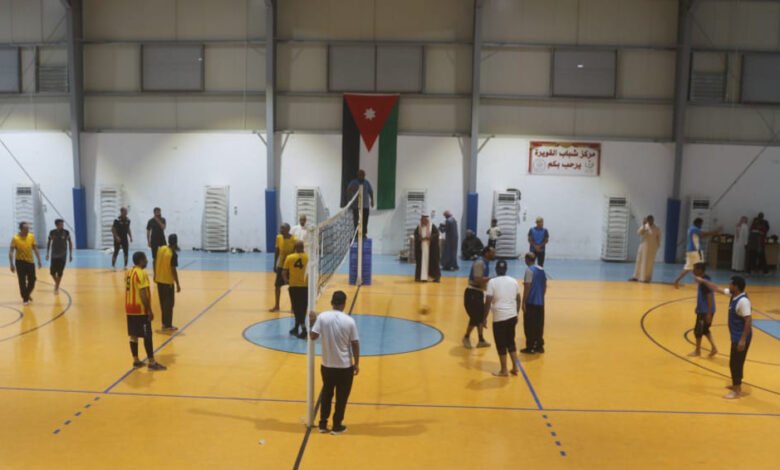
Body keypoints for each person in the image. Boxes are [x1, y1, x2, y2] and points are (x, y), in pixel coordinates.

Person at [693, 275, 752, 399]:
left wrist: (742, 340)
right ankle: (736, 384)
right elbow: (716, 288)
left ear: (736, 286)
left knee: (735, 363)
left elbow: (748, 321)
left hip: (741, 337)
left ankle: (737, 391)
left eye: (730, 284)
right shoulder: (734, 295)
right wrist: (703, 281)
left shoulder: (743, 302)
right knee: (736, 361)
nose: (728, 286)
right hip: (736, 335)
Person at [309, 291, 360, 434]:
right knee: (341, 397)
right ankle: (337, 425)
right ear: (344, 304)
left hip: (327, 365)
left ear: (332, 302)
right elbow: (355, 343)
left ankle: (322, 424)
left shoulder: (322, 317)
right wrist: (356, 363)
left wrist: (312, 322)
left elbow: (313, 336)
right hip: (344, 366)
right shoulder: (349, 321)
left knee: (326, 394)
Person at [125, 251, 166, 370]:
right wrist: (149, 310)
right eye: (145, 259)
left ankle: (136, 360)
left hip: (129, 308)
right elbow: (143, 293)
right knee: (147, 335)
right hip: (140, 310)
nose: (147, 261)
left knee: (133, 335)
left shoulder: (129, 272)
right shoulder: (141, 273)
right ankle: (151, 362)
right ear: (141, 261)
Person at [483, 259, 521, 377]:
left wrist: (484, 318)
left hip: (499, 318)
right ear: (506, 269)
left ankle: (504, 370)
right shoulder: (514, 281)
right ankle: (515, 367)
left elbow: (488, 301)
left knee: (501, 344)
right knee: (511, 342)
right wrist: (516, 313)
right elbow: (518, 299)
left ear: (496, 269)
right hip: (512, 316)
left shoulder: (492, 282)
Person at [463, 246, 495, 349]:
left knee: (478, 317)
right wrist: (491, 279)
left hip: (478, 292)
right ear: (486, 253)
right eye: (492, 252)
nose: (494, 254)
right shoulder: (479, 263)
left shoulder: (485, 262)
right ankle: (466, 337)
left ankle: (481, 340)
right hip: (472, 293)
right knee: (476, 317)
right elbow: (477, 279)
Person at [673, 218, 720, 288]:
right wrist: (714, 232)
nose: (701, 226)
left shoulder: (691, 228)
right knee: (700, 267)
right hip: (696, 251)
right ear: (698, 223)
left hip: (689, 251)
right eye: (701, 224)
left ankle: (677, 280)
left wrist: (713, 233)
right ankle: (702, 283)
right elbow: (703, 234)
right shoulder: (694, 229)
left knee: (688, 268)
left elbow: (702, 236)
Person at [688, 263, 718, 358]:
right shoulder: (705, 279)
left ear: (700, 270)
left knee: (698, 331)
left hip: (705, 311)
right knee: (705, 330)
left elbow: (709, 297)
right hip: (704, 310)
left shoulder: (704, 283)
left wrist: (708, 313)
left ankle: (697, 351)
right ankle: (714, 348)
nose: (693, 271)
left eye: (695, 269)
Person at [8, 222, 42, 305]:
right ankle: (25, 299)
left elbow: (35, 248)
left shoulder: (31, 236)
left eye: (28, 228)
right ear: (21, 229)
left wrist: (39, 260)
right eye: (26, 228)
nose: (27, 230)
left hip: (30, 262)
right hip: (20, 262)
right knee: (22, 281)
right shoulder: (15, 238)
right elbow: (11, 251)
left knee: (32, 280)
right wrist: (11, 264)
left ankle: (26, 294)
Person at [154, 234, 181, 333]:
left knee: (163, 304)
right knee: (169, 304)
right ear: (176, 242)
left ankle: (165, 324)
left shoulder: (161, 249)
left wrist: (155, 274)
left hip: (159, 280)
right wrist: (177, 283)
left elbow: (155, 261)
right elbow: (173, 270)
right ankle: (167, 325)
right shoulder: (172, 254)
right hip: (167, 282)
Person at [522, 252, 547, 354]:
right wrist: (541, 295)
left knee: (529, 325)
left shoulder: (529, 270)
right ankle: (539, 346)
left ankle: (530, 347)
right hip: (540, 302)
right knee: (539, 325)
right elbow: (544, 285)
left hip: (531, 302)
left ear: (527, 259)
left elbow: (527, 286)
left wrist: (524, 301)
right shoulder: (541, 269)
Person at [283, 241, 308, 339]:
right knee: (302, 308)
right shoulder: (308, 258)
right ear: (303, 247)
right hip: (305, 286)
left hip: (294, 286)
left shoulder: (289, 257)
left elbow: (284, 272)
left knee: (296, 308)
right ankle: (296, 328)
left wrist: (287, 281)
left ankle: (304, 329)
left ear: (295, 248)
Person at [270, 223, 296, 312]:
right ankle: (277, 306)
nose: (280, 230)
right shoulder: (279, 237)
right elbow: (277, 251)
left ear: (288, 230)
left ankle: (293, 307)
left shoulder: (294, 239)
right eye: (280, 228)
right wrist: (275, 264)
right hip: (281, 266)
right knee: (277, 286)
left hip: (290, 267)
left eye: (282, 228)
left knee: (292, 287)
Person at [629, 215, 661, 282]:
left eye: (651, 219)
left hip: (651, 249)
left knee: (648, 264)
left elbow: (659, 238)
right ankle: (636, 277)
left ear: (653, 220)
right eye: (648, 220)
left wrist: (657, 247)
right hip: (643, 247)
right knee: (639, 261)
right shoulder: (644, 226)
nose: (650, 221)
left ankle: (646, 278)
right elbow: (639, 233)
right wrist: (643, 225)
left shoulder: (657, 228)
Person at [46, 218, 73, 294]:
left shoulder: (66, 232)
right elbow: (49, 242)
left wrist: (70, 254)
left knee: (60, 272)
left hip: (63, 255)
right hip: (54, 254)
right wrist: (47, 253)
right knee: (52, 272)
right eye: (61, 224)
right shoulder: (52, 232)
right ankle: (57, 283)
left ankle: (56, 287)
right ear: (56, 225)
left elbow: (70, 242)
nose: (62, 225)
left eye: (63, 224)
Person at [346, 169, 374, 238]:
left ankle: (364, 234)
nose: (362, 176)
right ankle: (357, 234)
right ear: (358, 176)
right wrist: (350, 201)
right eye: (360, 175)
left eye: (363, 175)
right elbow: (348, 190)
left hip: (365, 206)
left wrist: (372, 201)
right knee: (357, 220)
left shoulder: (367, 182)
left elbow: (371, 192)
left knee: (365, 220)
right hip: (356, 206)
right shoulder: (353, 183)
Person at [413, 214, 441, 282]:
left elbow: (437, 234)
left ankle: (434, 277)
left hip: (431, 248)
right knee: (421, 263)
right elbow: (415, 234)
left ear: (427, 220)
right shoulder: (419, 227)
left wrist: (430, 238)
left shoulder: (432, 226)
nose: (423, 221)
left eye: (424, 220)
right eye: (422, 220)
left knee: (433, 263)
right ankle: (422, 277)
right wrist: (419, 238)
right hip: (421, 248)